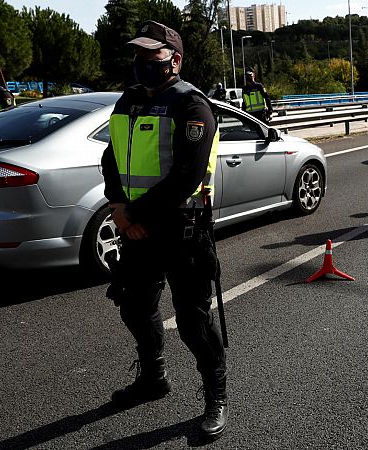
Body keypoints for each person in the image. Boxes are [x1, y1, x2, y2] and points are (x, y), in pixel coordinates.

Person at [100, 20, 228, 439]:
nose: (141, 63)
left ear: (174, 60)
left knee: (192, 320)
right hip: (136, 226)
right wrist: (118, 206)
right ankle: (153, 378)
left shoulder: (193, 106)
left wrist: (134, 215)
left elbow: (186, 176)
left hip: (181, 229)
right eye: (138, 55)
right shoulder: (129, 100)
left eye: (150, 56)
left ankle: (215, 396)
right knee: (134, 305)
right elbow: (111, 157)